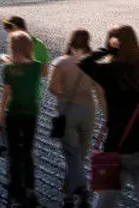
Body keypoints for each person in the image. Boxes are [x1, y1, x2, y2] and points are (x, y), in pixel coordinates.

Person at [79, 25, 139, 207]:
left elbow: (84, 63)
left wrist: (107, 50)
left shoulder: (108, 72)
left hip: (117, 150)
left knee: (104, 204)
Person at [50, 29, 100, 208]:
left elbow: (53, 88)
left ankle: (75, 194)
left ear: (71, 43)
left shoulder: (60, 63)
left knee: (72, 156)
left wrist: (64, 91)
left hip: (67, 112)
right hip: (88, 112)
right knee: (79, 155)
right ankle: (72, 195)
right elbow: (99, 90)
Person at [0, 29, 42, 208]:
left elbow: (4, 97)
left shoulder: (8, 70)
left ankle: (16, 196)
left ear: (13, 47)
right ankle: (30, 188)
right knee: (27, 153)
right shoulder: (36, 66)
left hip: (13, 115)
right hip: (31, 115)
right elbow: (23, 65)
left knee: (13, 155)